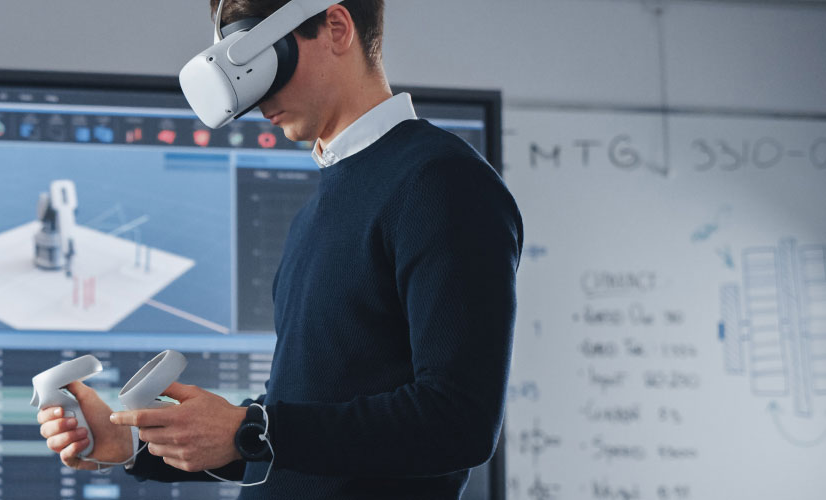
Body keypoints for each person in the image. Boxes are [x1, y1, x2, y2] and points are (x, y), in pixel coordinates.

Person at [35, 1, 523, 498]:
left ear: (336, 27)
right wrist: (132, 438)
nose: (256, 98)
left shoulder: (441, 183)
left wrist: (253, 429)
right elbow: (301, 433)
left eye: (265, 61)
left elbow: (458, 420)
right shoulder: (315, 214)